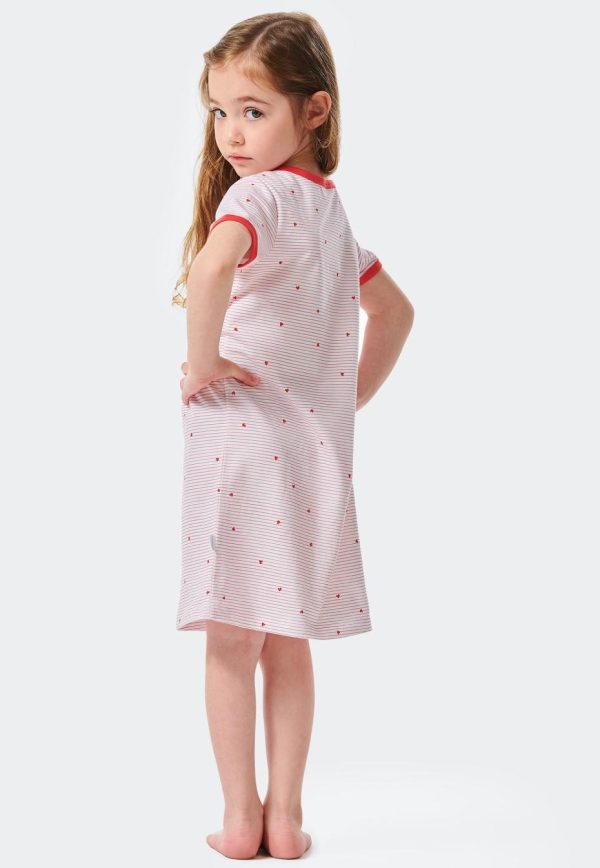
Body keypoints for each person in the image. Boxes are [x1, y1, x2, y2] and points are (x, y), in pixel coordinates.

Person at [172, 12, 414, 860]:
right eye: (218, 112)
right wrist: (345, 399)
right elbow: (394, 313)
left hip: (238, 449)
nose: (231, 134)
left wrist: (203, 363)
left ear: (314, 110)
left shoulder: (255, 197)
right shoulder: (330, 215)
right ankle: (287, 818)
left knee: (229, 639)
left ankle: (241, 819)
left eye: (253, 110)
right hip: (311, 459)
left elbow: (211, 267)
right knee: (286, 639)